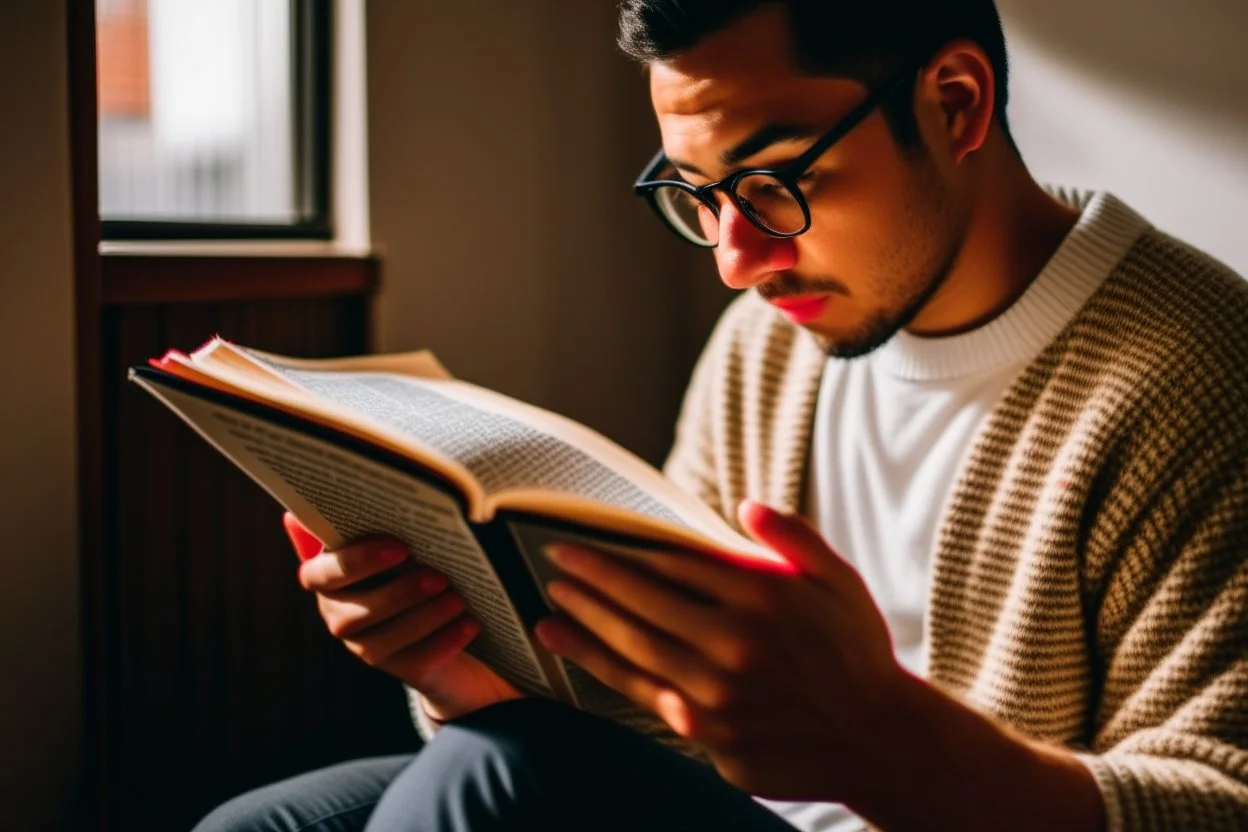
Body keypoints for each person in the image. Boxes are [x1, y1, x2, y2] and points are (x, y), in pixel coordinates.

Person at [194, 1, 1248, 830]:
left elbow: (1221, 804)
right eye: (696, 193)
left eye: (777, 181)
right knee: (265, 822)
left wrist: (876, 734)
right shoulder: (772, 340)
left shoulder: (1202, 374)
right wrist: (466, 670)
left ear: (958, 102)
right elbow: (663, 719)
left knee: (486, 790)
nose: (738, 260)